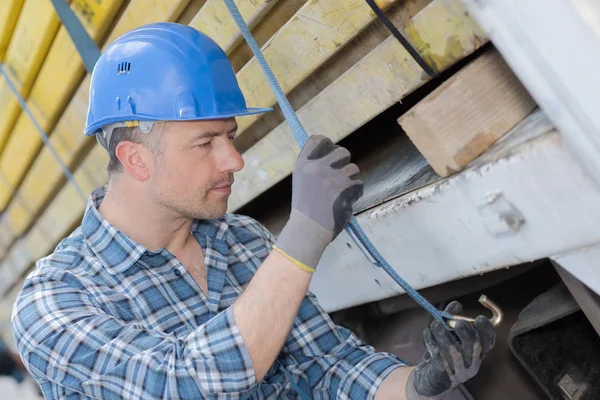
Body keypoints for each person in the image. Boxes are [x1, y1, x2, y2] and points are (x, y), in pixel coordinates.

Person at [11, 22, 495, 399]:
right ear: (135, 158)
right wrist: (303, 235)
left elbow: (326, 366)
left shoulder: (240, 239)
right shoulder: (55, 302)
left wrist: (417, 384)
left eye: (230, 136)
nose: (234, 161)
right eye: (205, 143)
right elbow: (189, 385)